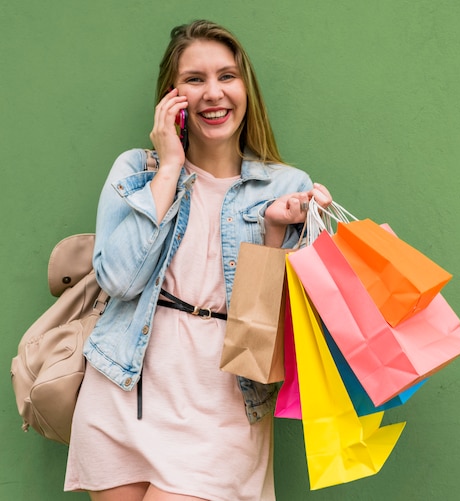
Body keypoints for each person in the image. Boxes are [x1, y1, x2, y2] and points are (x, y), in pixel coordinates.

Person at [64, 19, 332, 501]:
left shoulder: (286, 186)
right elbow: (120, 280)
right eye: (195, 79)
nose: (214, 93)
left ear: (245, 88)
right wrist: (169, 168)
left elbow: (275, 324)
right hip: (124, 397)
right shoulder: (135, 171)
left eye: (227, 76)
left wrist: (276, 230)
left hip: (224, 408)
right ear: (172, 96)